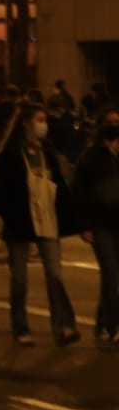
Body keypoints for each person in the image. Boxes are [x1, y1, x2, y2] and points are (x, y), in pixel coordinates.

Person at [0, 102, 81, 347]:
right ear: (26, 124)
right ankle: (20, 327)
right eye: (39, 120)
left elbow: (61, 188)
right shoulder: (10, 156)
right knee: (19, 279)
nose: (44, 125)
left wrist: (71, 218)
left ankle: (63, 326)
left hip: (47, 221)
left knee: (55, 275)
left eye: (45, 120)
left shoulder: (48, 154)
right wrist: (11, 214)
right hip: (20, 224)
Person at [73, 107, 119, 345]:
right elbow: (80, 192)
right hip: (101, 224)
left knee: (113, 278)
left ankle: (103, 319)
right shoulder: (91, 156)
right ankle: (112, 325)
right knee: (110, 274)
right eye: (110, 122)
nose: (114, 125)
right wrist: (84, 225)